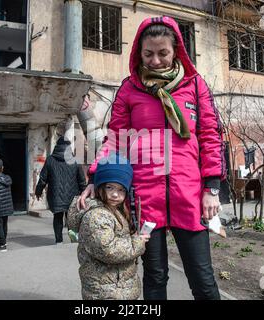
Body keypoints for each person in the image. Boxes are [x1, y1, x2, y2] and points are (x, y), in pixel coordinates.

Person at [78, 16, 224, 300]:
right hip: (145, 199)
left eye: (163, 53)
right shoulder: (129, 90)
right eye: (148, 54)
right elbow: (116, 140)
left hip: (189, 195)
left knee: (202, 277)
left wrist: (212, 188)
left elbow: (210, 137)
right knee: (155, 277)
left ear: (176, 51)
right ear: (138, 52)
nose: (155, 61)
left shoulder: (195, 87)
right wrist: (96, 177)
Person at [68, 154, 150, 299]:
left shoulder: (113, 210)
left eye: (121, 190)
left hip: (115, 287)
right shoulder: (97, 216)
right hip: (106, 291)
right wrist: (138, 242)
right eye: (109, 187)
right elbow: (108, 250)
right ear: (99, 186)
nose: (115, 194)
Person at [35, 136, 86, 244]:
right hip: (72, 196)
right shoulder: (75, 161)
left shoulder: (50, 160)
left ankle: (59, 241)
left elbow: (43, 179)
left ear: (57, 146)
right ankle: (73, 240)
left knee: (57, 217)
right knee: (71, 218)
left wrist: (38, 192)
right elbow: (81, 180)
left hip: (55, 195)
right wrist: (84, 194)